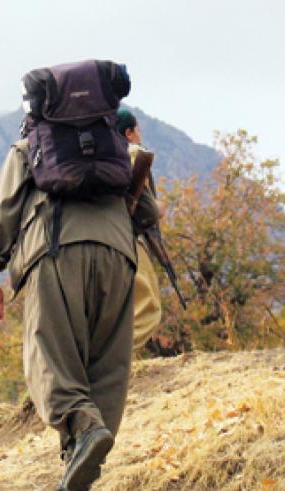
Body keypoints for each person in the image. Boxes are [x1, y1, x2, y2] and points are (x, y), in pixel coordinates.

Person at [0, 60, 145, 491]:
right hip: (118, 255)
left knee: (47, 354)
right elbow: (147, 210)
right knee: (107, 361)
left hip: (54, 251)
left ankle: (83, 430)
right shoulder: (115, 143)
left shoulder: (30, 146)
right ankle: (84, 457)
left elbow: (5, 210)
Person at [115, 108, 164, 352]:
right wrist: (157, 207)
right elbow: (148, 213)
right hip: (125, 239)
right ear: (129, 132)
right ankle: (112, 365)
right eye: (137, 129)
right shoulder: (133, 154)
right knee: (148, 308)